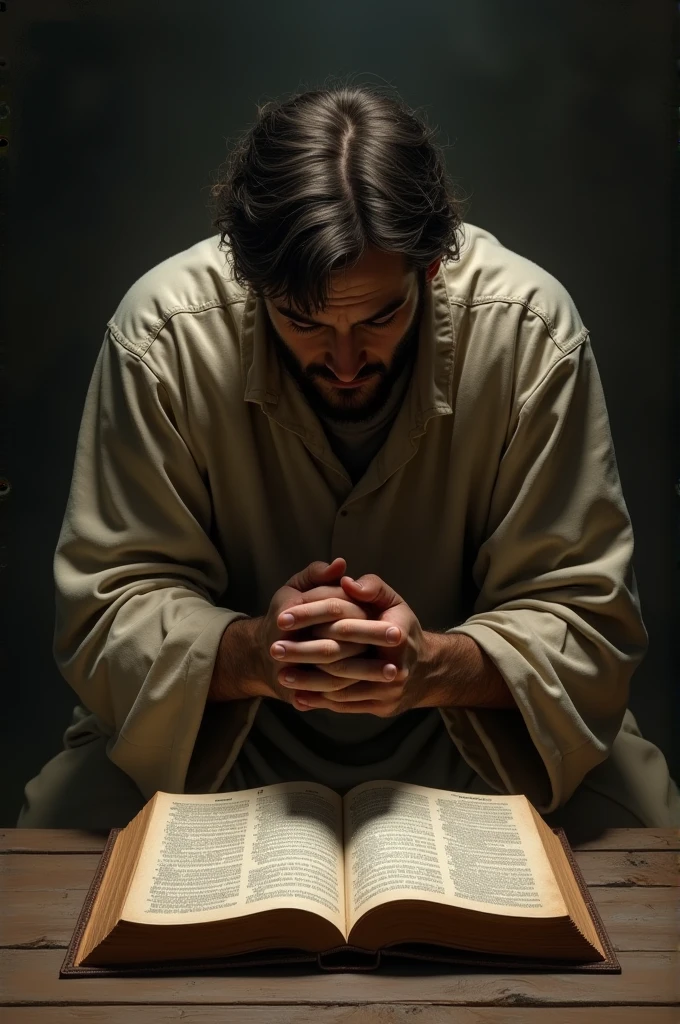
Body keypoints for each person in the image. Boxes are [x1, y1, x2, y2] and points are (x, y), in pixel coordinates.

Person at [18, 83, 680, 840]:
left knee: (647, 851)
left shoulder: (530, 330)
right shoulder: (162, 335)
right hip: (215, 735)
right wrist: (254, 655)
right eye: (301, 320)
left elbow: (591, 624)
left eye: (381, 317)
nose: (342, 362)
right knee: (52, 857)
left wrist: (429, 665)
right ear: (251, 281)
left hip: (481, 733)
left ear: (430, 271)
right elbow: (104, 614)